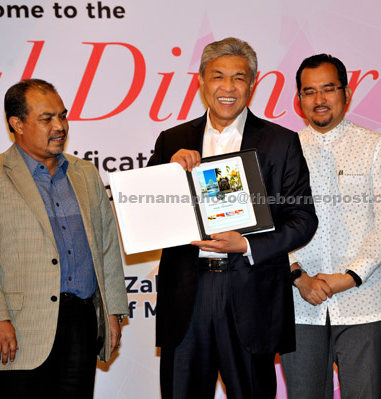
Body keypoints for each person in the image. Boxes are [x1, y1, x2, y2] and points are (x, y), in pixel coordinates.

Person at [147, 37, 318, 399]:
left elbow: (302, 218)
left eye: (238, 78)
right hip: (187, 297)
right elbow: (148, 215)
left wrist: (247, 244)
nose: (227, 88)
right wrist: (169, 174)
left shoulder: (280, 141)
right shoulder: (172, 140)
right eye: (218, 77)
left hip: (250, 294)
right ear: (201, 81)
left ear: (252, 84)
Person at [0, 79, 129, 398]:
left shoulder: (85, 174)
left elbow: (107, 247)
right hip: (18, 327)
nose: (60, 126)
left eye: (62, 116)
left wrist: (111, 312)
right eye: (47, 118)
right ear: (17, 124)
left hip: (81, 323)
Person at [280, 54, 381, 399]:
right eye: (309, 92)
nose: (319, 100)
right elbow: (269, 226)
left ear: (346, 93)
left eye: (328, 89)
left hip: (363, 298)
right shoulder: (283, 151)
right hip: (299, 300)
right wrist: (298, 276)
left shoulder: (374, 146)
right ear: (298, 99)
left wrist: (348, 277)